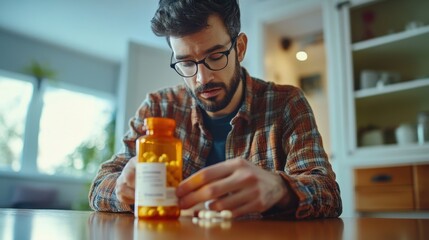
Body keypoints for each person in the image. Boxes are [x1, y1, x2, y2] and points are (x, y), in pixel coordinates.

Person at [89, 0, 342, 219]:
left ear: (239, 48)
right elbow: (100, 184)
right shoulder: (158, 108)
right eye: (186, 62)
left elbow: (328, 194)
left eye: (215, 56)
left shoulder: (286, 103)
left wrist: (281, 190)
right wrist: (124, 189)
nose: (202, 78)